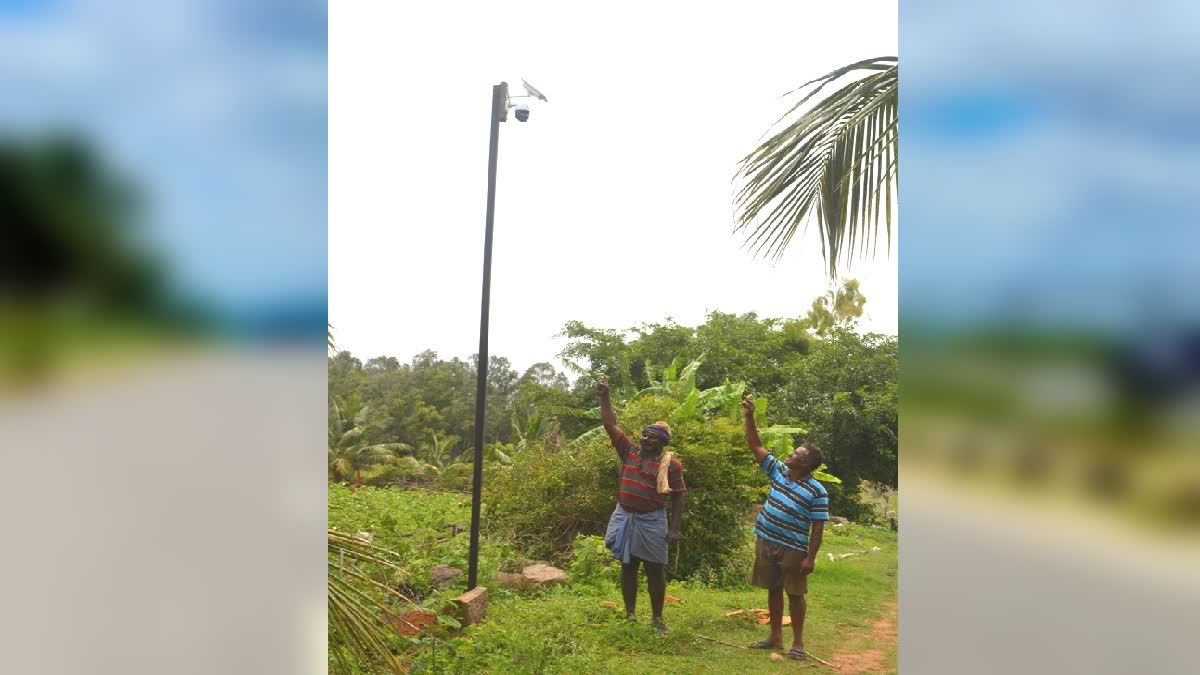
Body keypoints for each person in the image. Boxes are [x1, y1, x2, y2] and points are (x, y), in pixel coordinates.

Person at [740, 394, 829, 661]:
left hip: (793, 548)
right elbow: (755, 445)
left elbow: (817, 527)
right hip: (766, 540)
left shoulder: (817, 490)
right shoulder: (778, 471)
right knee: (773, 588)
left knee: (795, 592)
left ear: (804, 464)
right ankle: (775, 636)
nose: (789, 454)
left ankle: (798, 644)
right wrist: (749, 417)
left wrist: (811, 557)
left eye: (796, 454)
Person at [597, 377, 686, 634]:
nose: (645, 439)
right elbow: (610, 424)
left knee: (655, 569)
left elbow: (679, 495)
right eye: (644, 435)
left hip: (651, 519)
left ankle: (657, 619)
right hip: (625, 515)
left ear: (662, 443)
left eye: (652, 437)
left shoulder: (671, 465)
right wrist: (604, 397)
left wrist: (674, 528)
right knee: (628, 566)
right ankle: (630, 615)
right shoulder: (630, 451)